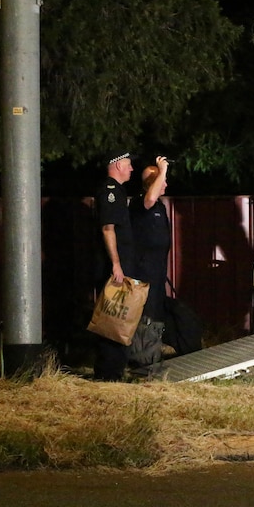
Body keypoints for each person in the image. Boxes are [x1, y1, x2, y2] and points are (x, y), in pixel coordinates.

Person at [92, 149, 136, 381]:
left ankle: (114, 369)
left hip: (120, 265)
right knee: (113, 318)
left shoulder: (118, 191)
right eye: (128, 164)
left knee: (120, 316)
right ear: (118, 165)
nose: (131, 169)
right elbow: (108, 229)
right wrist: (116, 264)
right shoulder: (110, 191)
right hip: (114, 268)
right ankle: (108, 372)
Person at [128, 156, 171, 325]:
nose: (165, 184)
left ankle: (154, 344)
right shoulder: (140, 202)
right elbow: (149, 199)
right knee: (147, 311)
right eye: (163, 181)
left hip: (159, 268)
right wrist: (163, 170)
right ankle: (143, 347)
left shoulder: (160, 205)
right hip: (144, 270)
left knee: (158, 309)